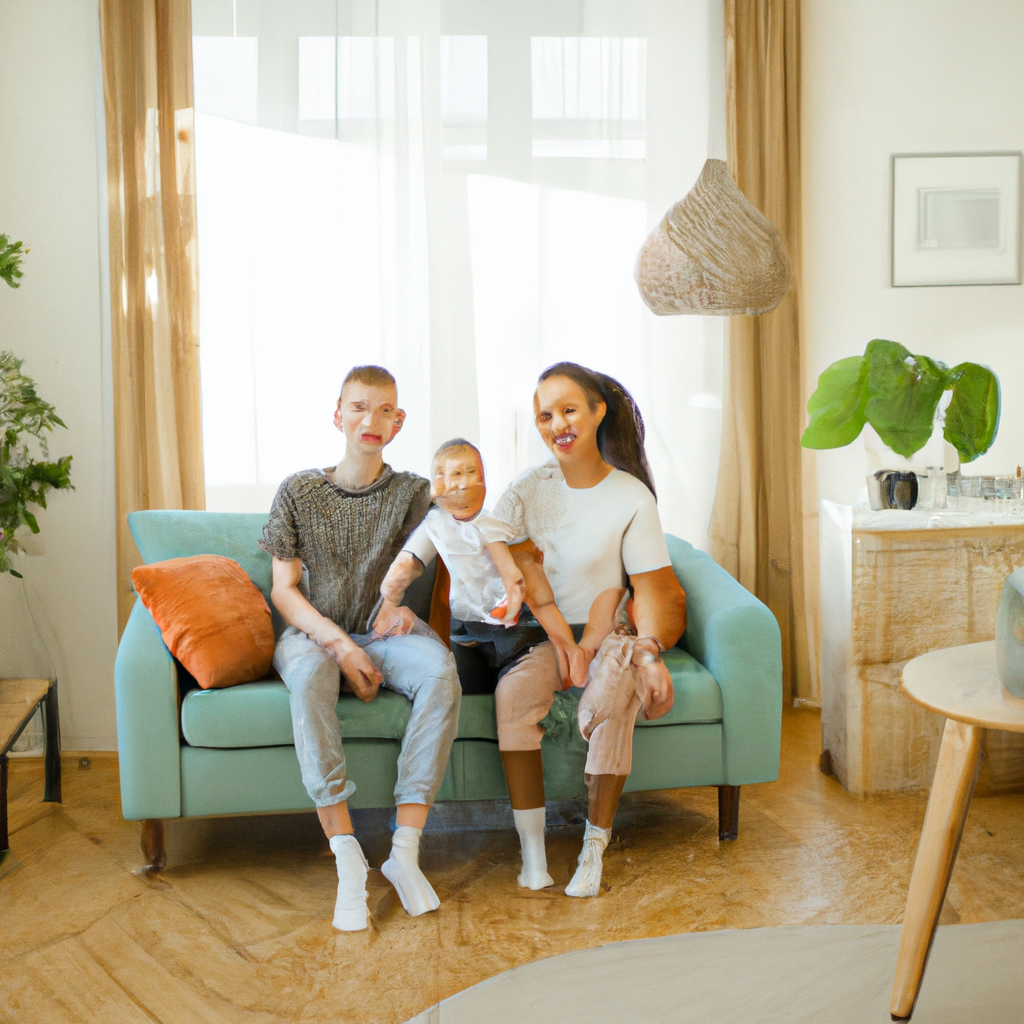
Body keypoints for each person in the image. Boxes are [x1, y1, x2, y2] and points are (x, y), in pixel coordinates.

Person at [259, 365, 461, 932]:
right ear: (338, 415)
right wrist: (340, 644)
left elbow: (465, 520)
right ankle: (347, 854)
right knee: (311, 679)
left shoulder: (415, 492)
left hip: (383, 633)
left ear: (398, 423)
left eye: (384, 411)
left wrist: (400, 600)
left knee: (440, 672)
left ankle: (405, 850)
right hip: (312, 635)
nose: (370, 420)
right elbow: (283, 590)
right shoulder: (298, 490)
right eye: (359, 407)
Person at [474, 362, 686, 897]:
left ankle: (595, 845)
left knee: (611, 704)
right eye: (545, 415)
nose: (557, 424)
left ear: (598, 412)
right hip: (541, 636)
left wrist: (648, 652)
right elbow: (486, 543)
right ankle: (533, 850)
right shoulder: (528, 489)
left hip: (610, 635)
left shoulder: (632, 497)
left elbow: (654, 588)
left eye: (569, 410)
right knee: (513, 695)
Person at [374, 438, 590, 696]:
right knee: (464, 693)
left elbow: (514, 578)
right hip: (468, 626)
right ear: (438, 482)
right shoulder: (435, 522)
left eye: (470, 473)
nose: (463, 483)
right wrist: (384, 611)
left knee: (534, 592)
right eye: (455, 475)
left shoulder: (487, 526)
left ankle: (569, 651)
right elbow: (403, 568)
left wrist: (510, 608)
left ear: (483, 479)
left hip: (507, 624)